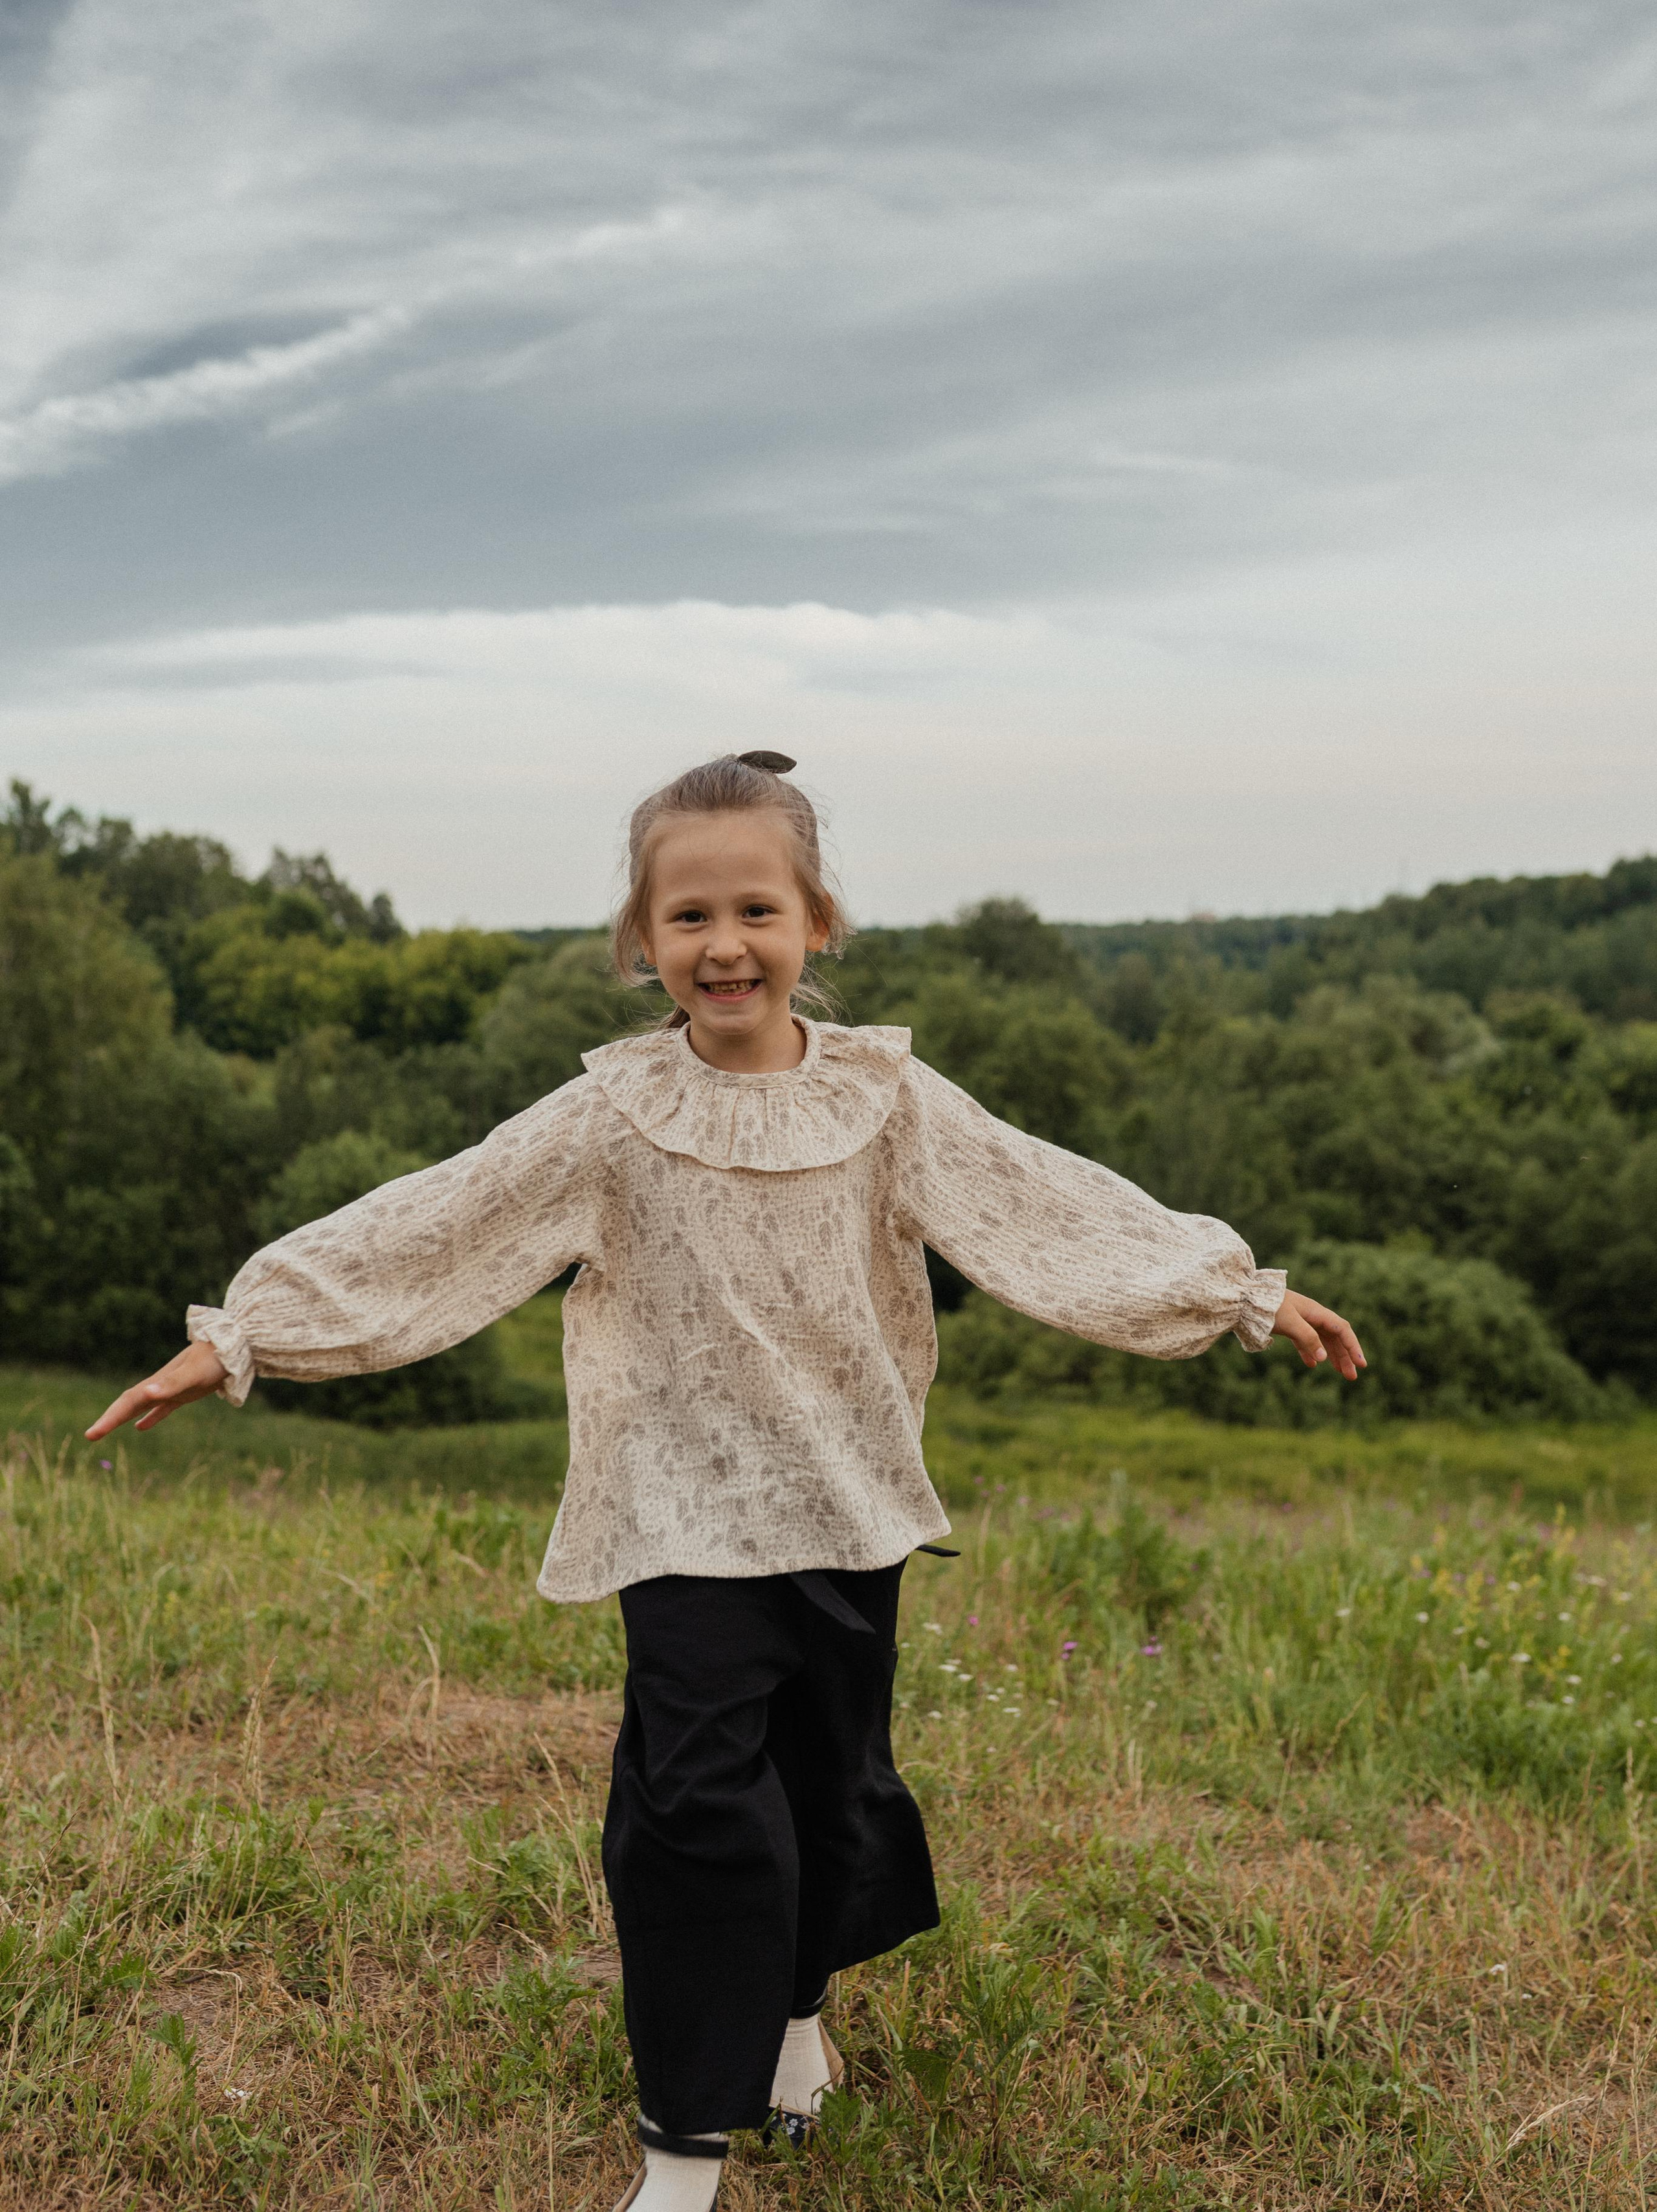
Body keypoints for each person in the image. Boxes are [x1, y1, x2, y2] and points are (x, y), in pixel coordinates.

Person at [89, 750, 1364, 2212]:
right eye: (686, 916)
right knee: (695, 1804)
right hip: (673, 1512)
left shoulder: (888, 1100)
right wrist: (244, 1337)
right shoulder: (605, 1119)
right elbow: (440, 1221)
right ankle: (683, 2153)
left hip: (848, 1501)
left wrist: (1233, 1292)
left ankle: (798, 2013)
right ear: (642, 942)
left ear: (814, 921)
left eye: (754, 908)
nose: (723, 943)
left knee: (831, 1791)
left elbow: (1040, 1203)